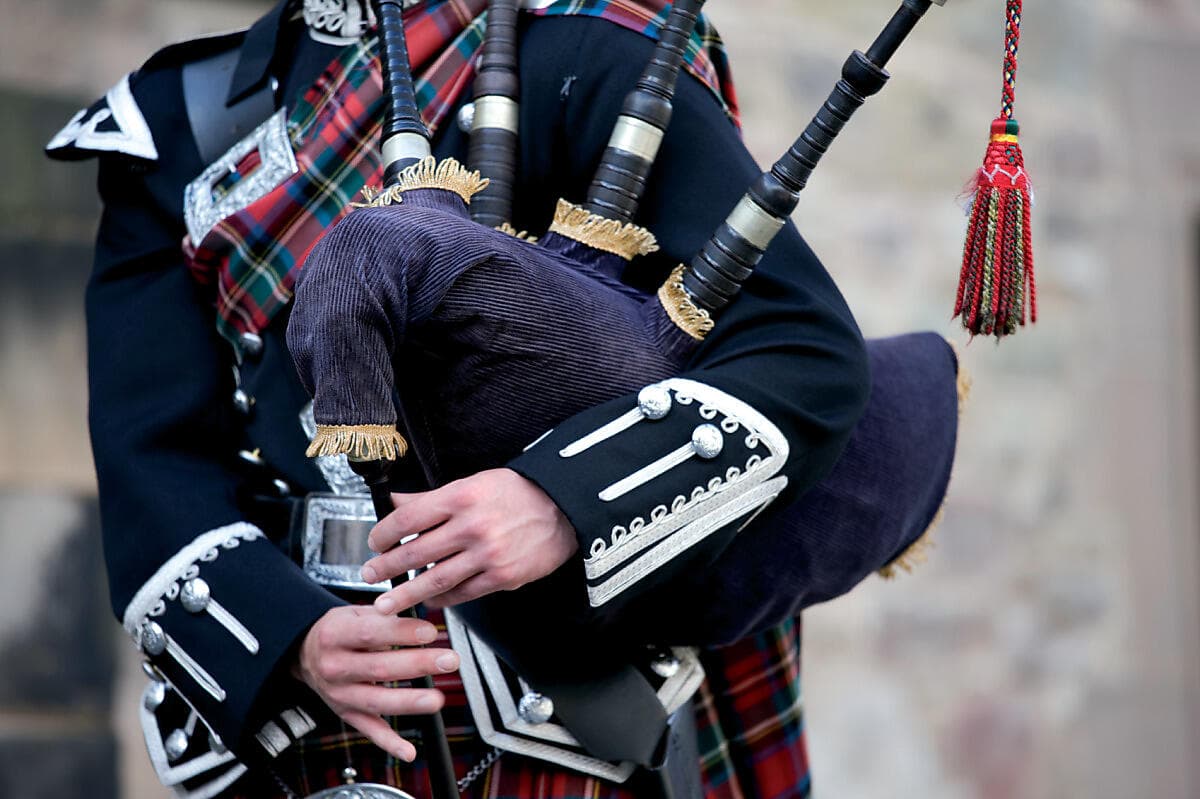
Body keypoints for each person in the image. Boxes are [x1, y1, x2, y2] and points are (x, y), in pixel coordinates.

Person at [47, 1, 885, 796]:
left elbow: (800, 354)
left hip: (553, 703)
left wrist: (560, 501)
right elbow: (149, 448)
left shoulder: (592, 49)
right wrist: (287, 634)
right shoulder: (174, 120)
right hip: (290, 711)